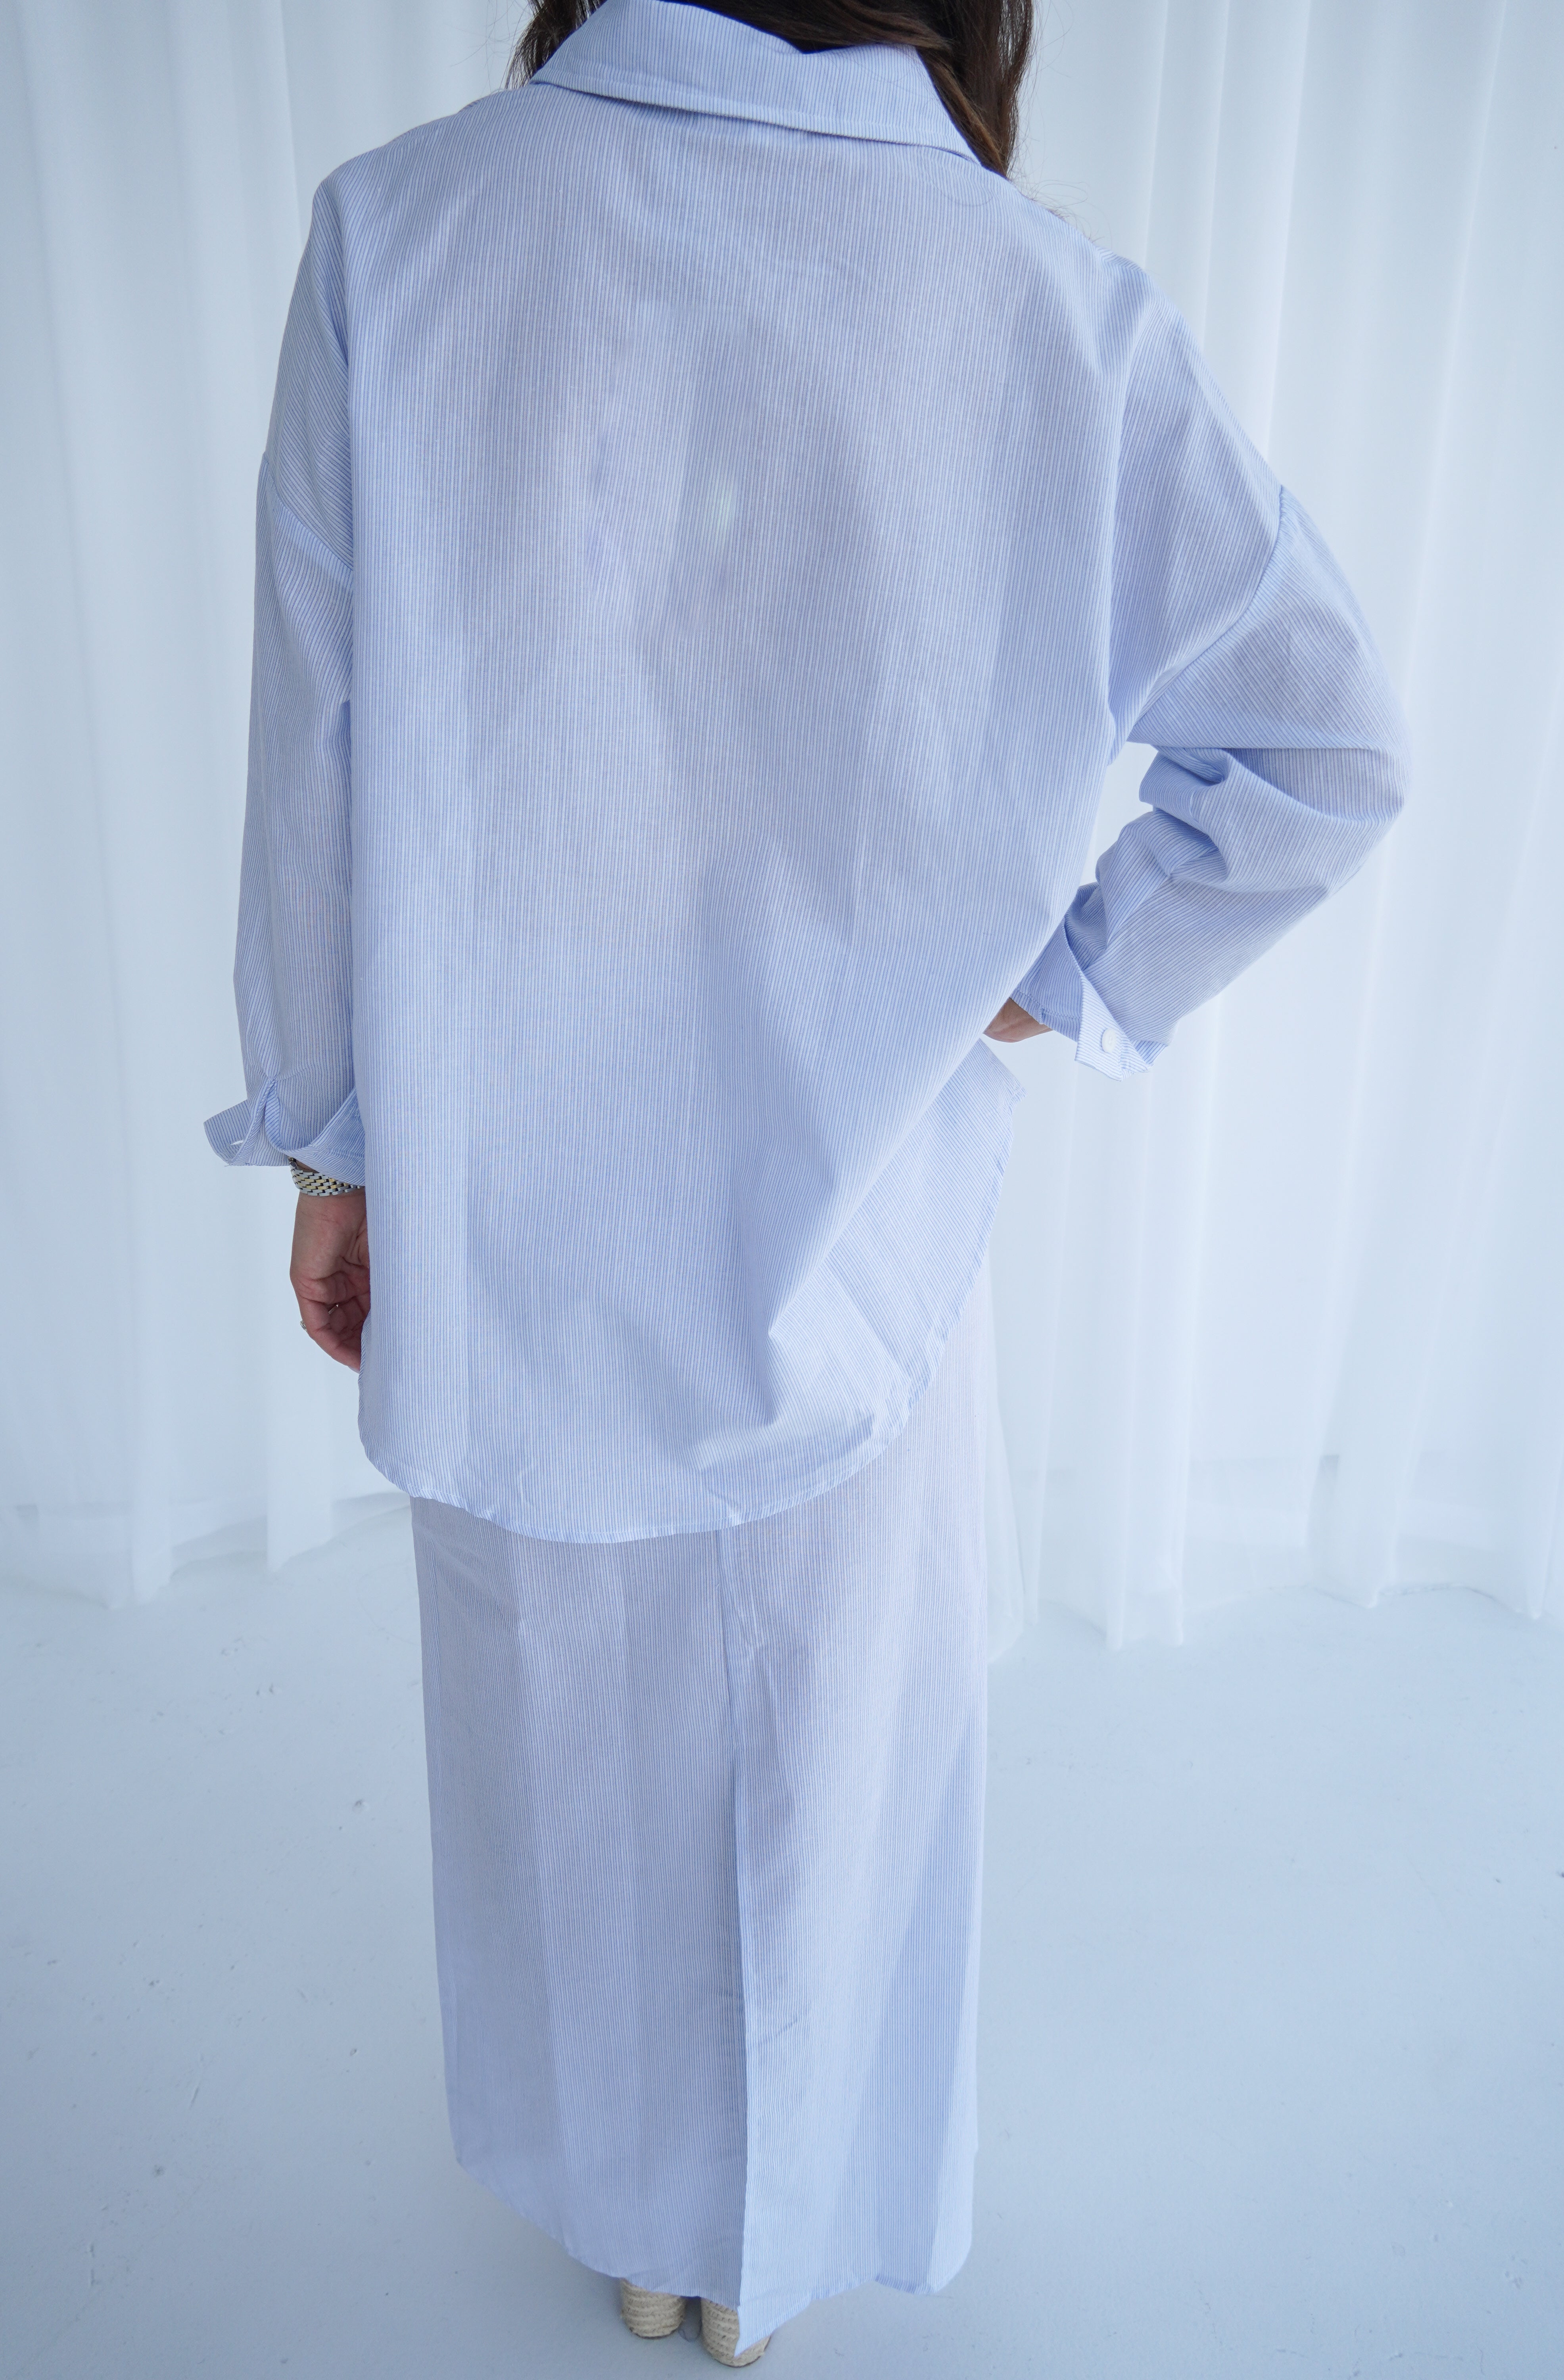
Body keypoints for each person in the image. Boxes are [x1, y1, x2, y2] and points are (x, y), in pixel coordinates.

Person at [204, 0, 1408, 2360]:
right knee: (830, 1753)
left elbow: (315, 751)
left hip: (508, 1174)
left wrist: (332, 1140)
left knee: (569, 1739)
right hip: (865, 1206)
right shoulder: (1049, 304)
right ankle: (772, 2236)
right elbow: (1327, 736)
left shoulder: (404, 233)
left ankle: (642, 2220)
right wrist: (1051, 982)